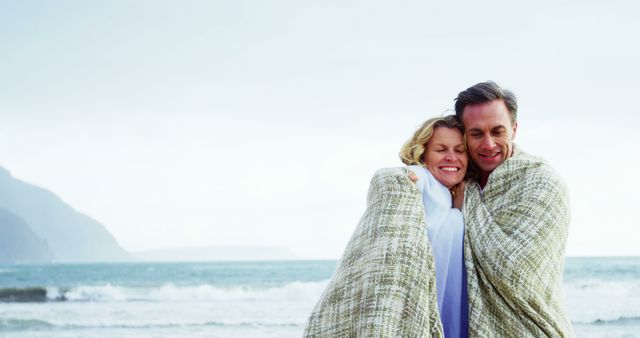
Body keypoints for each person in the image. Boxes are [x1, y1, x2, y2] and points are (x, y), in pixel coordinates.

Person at [304, 115, 468, 337]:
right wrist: (398, 178)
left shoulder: (457, 195)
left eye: (460, 150)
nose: (451, 157)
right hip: (411, 304)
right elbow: (389, 178)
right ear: (423, 153)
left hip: (447, 302)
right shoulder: (421, 180)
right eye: (441, 150)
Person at [455, 81, 573, 337]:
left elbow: (516, 270)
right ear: (463, 135)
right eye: (476, 133)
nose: (488, 144)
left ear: (514, 130)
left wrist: (468, 202)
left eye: (498, 131)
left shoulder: (542, 182)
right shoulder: (456, 183)